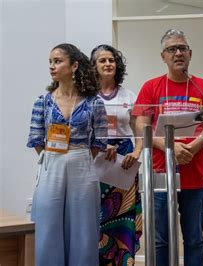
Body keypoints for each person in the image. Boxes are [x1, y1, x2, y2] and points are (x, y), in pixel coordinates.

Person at [134, 29, 203, 266]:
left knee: (193, 239)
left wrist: (191, 148)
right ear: (163, 56)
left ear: (190, 54)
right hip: (161, 175)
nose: (178, 53)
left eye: (182, 48)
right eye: (172, 49)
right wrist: (170, 148)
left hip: (195, 175)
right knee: (161, 240)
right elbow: (142, 124)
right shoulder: (151, 87)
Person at [26, 43, 108, 265]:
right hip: (51, 163)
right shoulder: (42, 101)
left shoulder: (95, 102)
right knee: (47, 224)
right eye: (50, 62)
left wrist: (78, 157)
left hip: (82, 163)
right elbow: (36, 138)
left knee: (83, 227)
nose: (52, 66)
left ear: (74, 65)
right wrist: (54, 157)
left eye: (58, 61)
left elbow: (99, 141)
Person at [90, 44, 143, 265]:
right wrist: (101, 147)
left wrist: (138, 152)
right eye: (102, 60)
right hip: (95, 158)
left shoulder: (128, 95)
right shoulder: (87, 96)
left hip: (124, 160)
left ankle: (123, 259)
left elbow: (139, 130)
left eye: (111, 60)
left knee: (123, 217)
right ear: (93, 66)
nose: (108, 64)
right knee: (95, 216)